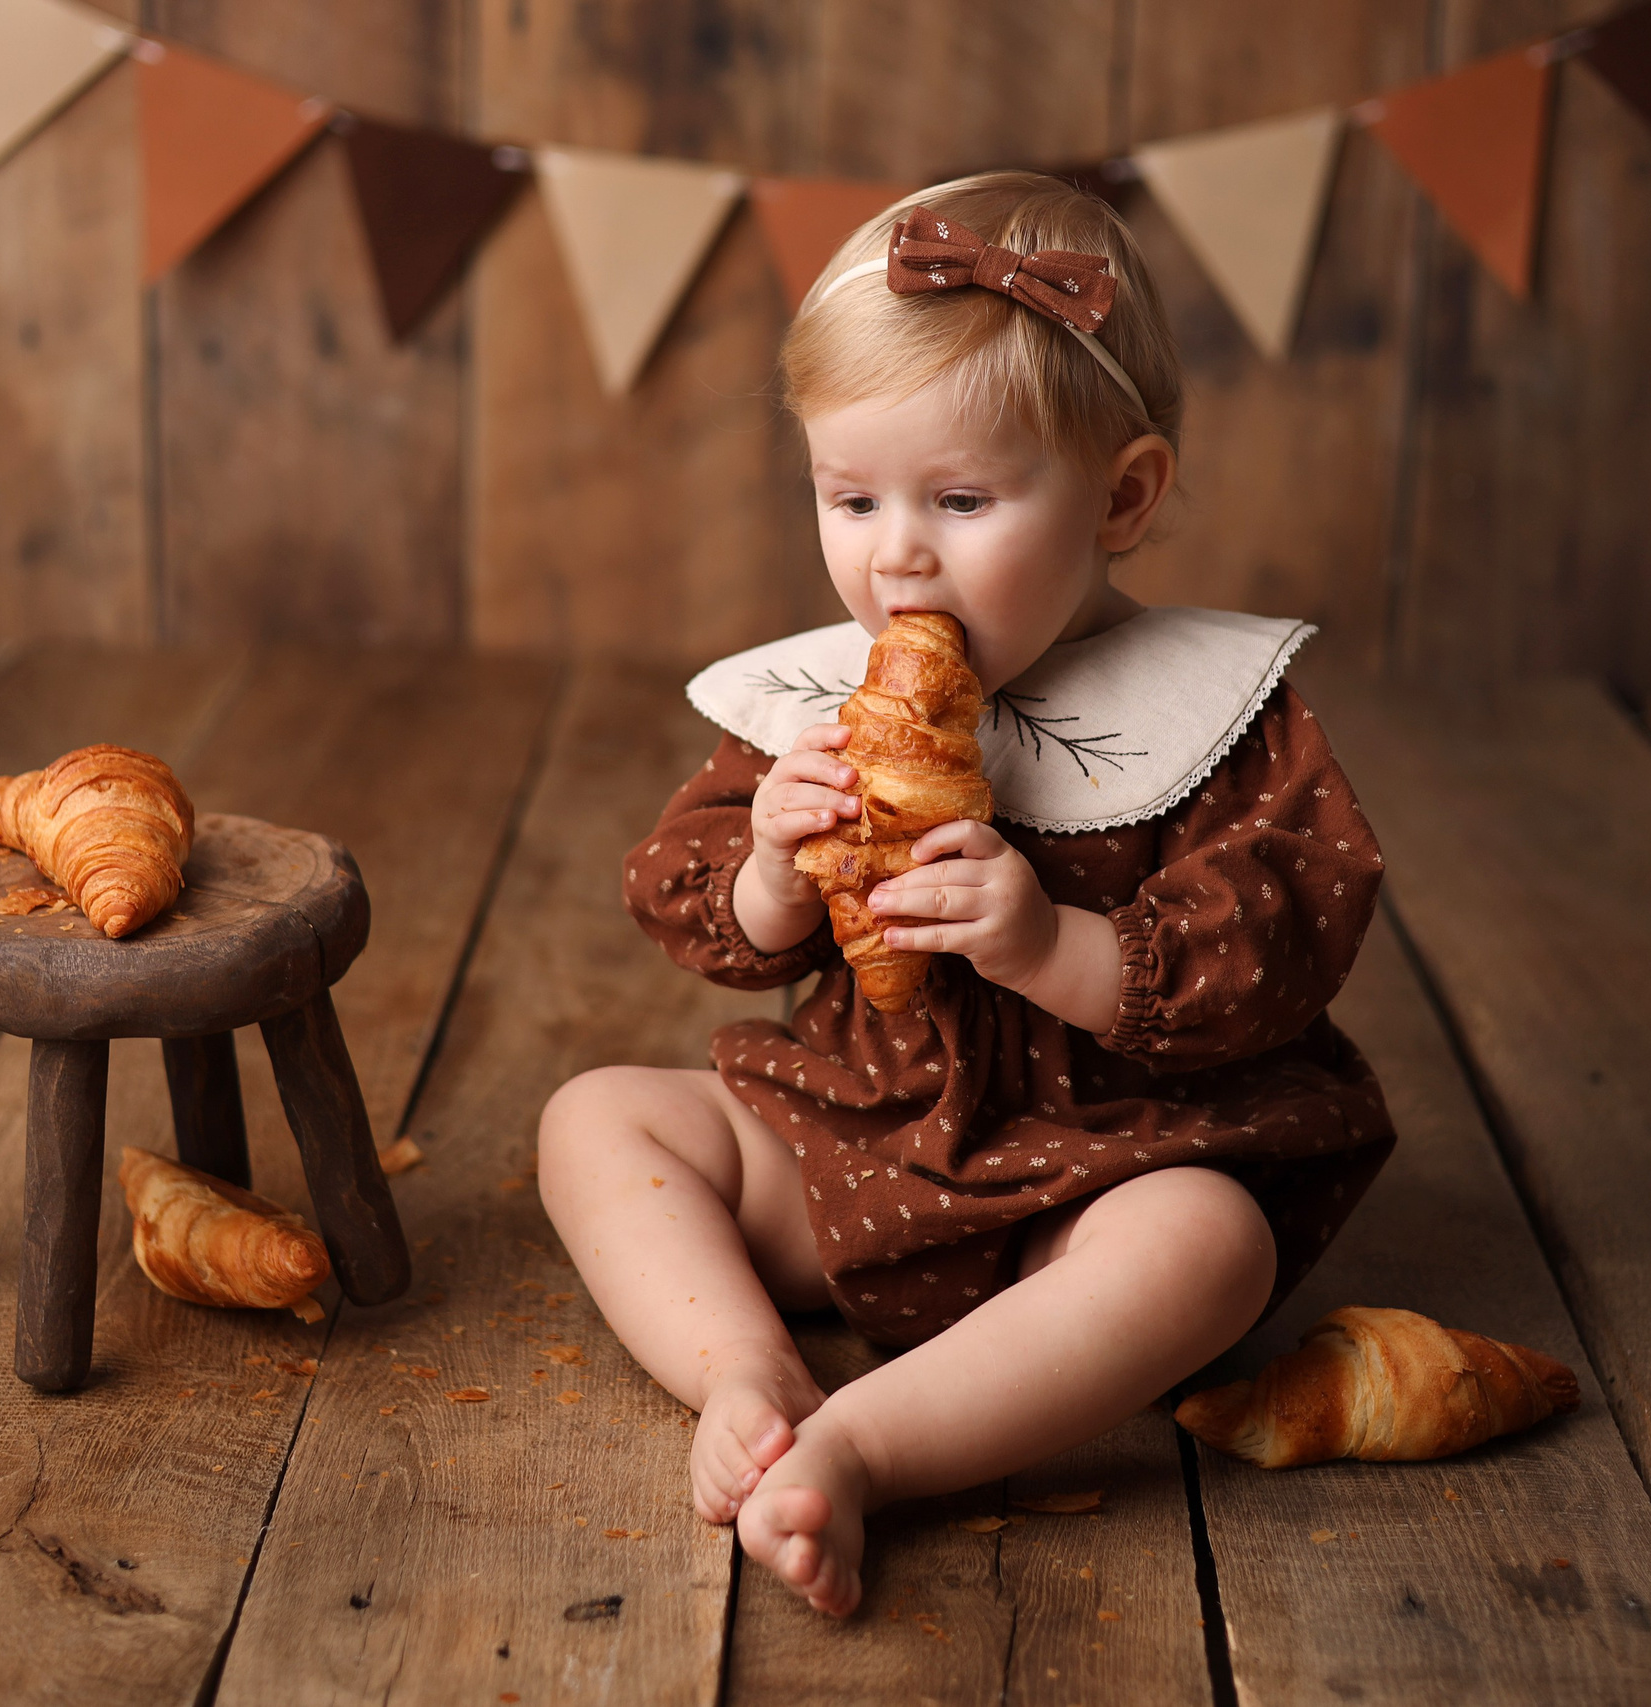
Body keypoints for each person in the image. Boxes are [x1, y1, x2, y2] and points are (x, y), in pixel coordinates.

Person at [536, 170, 1397, 1617]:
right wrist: (768, 872)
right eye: (851, 497)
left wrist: (1055, 945)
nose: (897, 555)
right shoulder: (818, 701)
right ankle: (742, 1365)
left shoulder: (1218, 712)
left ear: (1122, 496)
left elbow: (1288, 937)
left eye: (962, 499)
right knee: (595, 1121)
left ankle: (869, 1445)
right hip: (855, 1144)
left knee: (1209, 1249)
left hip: (1102, 1164)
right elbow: (679, 899)